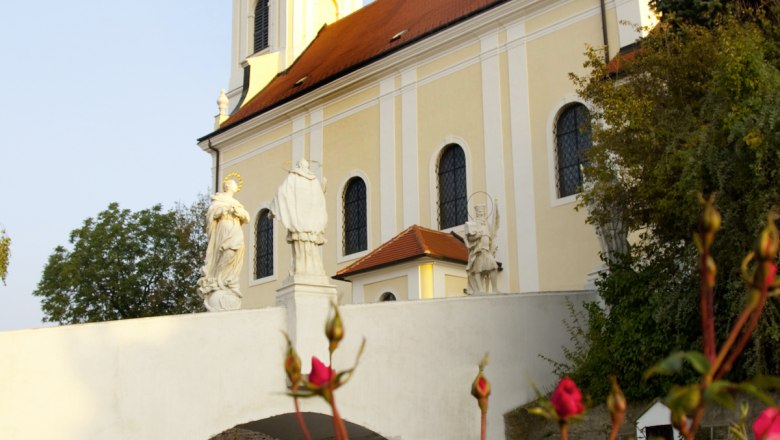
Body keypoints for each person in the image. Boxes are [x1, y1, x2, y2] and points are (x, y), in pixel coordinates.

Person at [197, 175, 250, 311]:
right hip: (224, 227)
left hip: (235, 228)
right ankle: (219, 280)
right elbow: (211, 214)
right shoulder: (219, 199)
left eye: (232, 184)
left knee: (235, 251)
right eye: (229, 184)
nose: (231, 186)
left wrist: (238, 211)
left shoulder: (237, 202)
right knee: (226, 251)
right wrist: (224, 210)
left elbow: (247, 218)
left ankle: (229, 280)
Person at [269, 158, 328, 280]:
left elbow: (282, 192)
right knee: (312, 247)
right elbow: (319, 199)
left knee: (300, 247)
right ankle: (314, 270)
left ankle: (300, 269)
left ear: (298, 166)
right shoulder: (314, 180)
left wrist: (273, 208)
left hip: (299, 223)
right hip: (311, 224)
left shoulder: (293, 177)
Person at [465, 200, 499, 294]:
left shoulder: (486, 223)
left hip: (487, 250)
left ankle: (495, 289)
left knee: (493, 267)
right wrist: (477, 236)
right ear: (476, 213)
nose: (481, 214)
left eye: (483, 212)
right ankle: (480, 290)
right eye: (479, 212)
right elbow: (469, 238)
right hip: (478, 250)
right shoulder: (473, 224)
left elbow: (491, 236)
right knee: (477, 269)